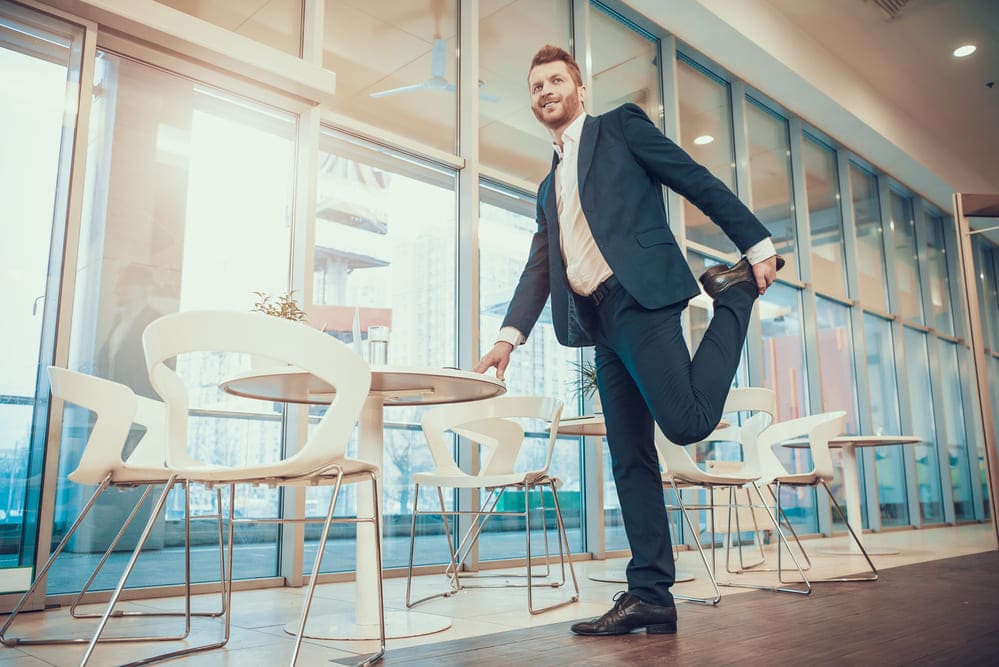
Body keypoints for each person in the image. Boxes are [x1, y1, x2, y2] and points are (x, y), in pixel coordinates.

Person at [473, 45, 783, 636]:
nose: (545, 91)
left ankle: (735, 295)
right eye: (536, 85)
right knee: (629, 458)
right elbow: (541, 268)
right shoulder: (547, 188)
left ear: (580, 89)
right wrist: (509, 338)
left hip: (640, 298)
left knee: (687, 423)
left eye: (556, 80)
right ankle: (651, 595)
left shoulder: (620, 129)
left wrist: (756, 242)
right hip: (598, 323)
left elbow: (693, 177)